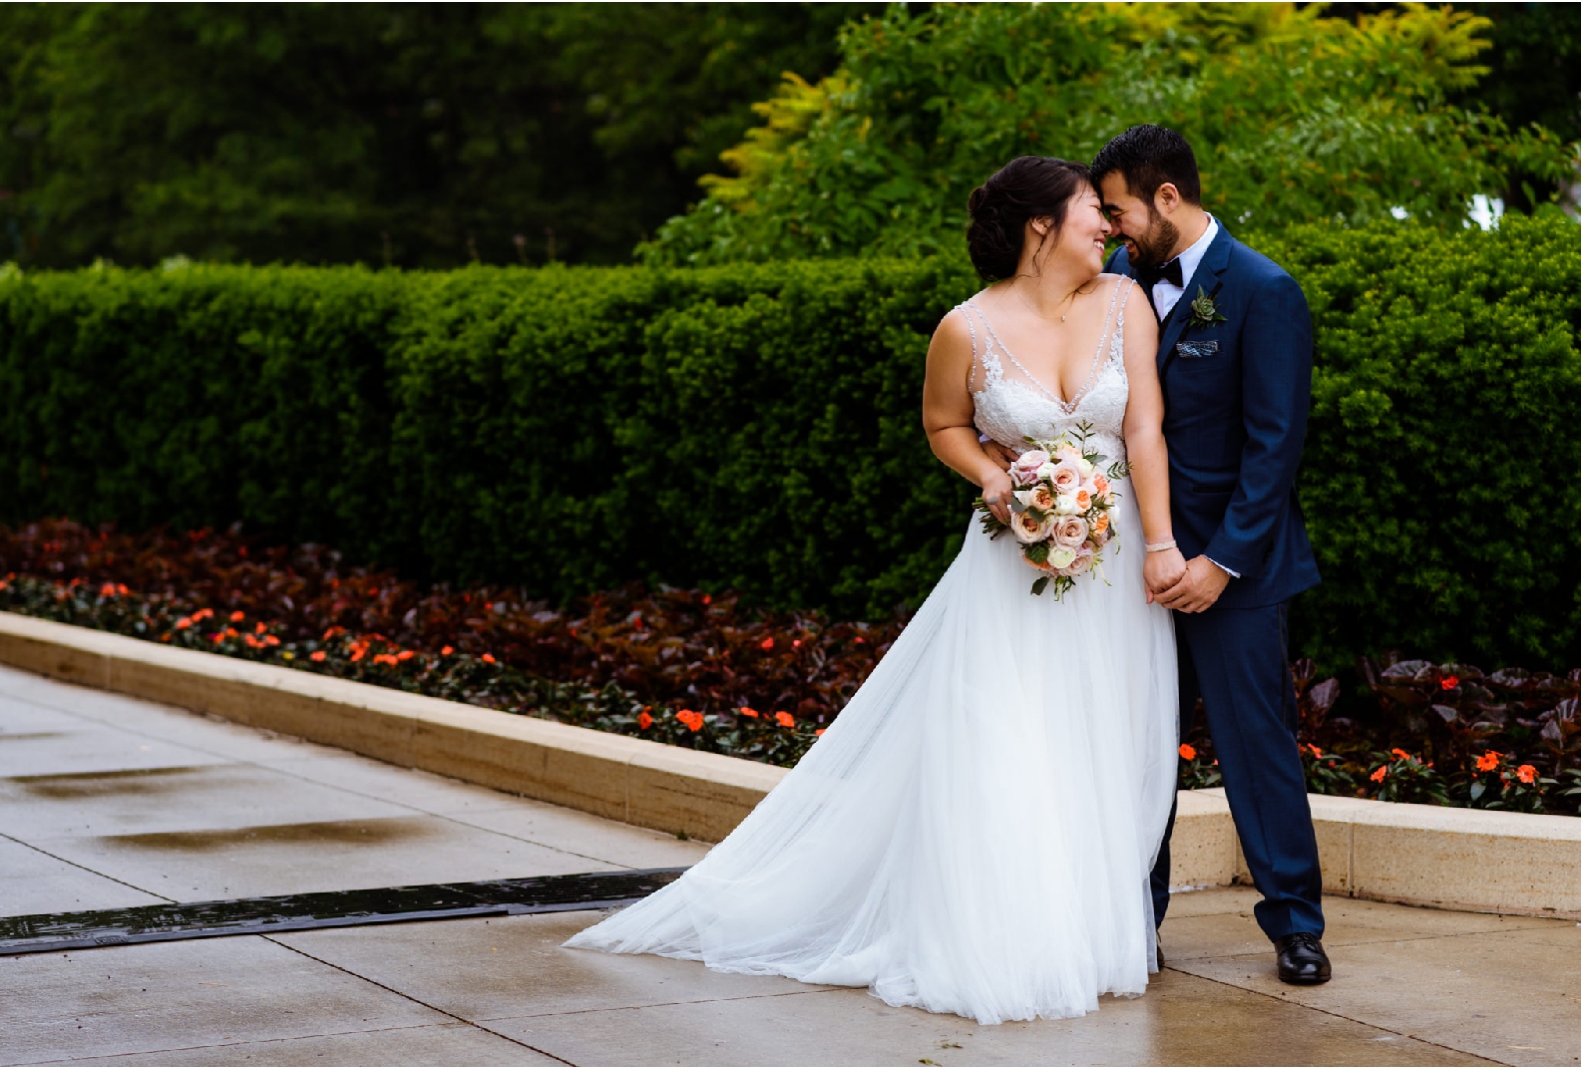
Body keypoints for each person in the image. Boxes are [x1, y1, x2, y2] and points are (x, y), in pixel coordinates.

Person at [564, 155, 1183, 1025]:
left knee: (1105, 748)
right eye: (1092, 209)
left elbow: (1147, 426)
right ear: (1042, 225)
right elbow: (944, 423)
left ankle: (1089, 928)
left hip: (1114, 571)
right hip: (1013, 571)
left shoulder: (1126, 304)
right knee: (1012, 746)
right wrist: (993, 479)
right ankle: (1012, 937)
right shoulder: (964, 328)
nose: (1108, 226)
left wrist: (1160, 542)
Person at [1091, 124, 1330, 985]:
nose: (1113, 230)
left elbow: (1276, 445)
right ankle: (1132, 923)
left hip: (1239, 570)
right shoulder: (1115, 285)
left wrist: (1218, 561)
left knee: (1256, 746)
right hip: (1132, 568)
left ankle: (1296, 925)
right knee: (1139, 744)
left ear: (1167, 197)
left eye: (1119, 211)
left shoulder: (1265, 290)